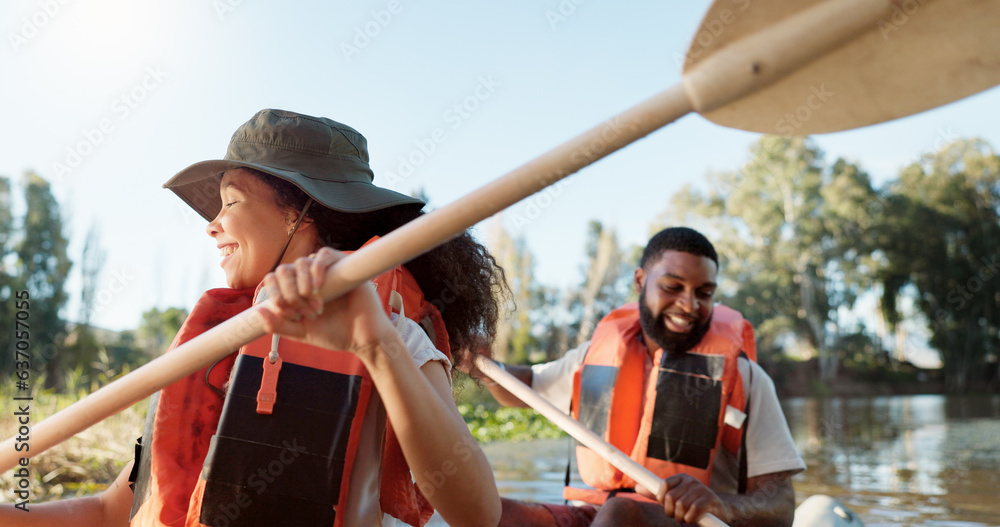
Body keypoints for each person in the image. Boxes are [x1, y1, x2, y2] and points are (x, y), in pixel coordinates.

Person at [1, 109, 505, 527]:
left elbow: (477, 515)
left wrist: (376, 344)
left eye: (231, 202)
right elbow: (112, 511)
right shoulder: (214, 346)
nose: (211, 226)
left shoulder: (390, 333)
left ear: (302, 211)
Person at [465, 227, 805, 527]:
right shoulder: (591, 357)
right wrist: (484, 366)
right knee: (488, 512)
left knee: (622, 515)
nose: (689, 305)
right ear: (640, 281)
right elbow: (524, 387)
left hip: (686, 524)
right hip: (597, 516)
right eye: (673, 287)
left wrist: (720, 504)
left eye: (704, 293)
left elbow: (780, 506)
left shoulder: (747, 377)